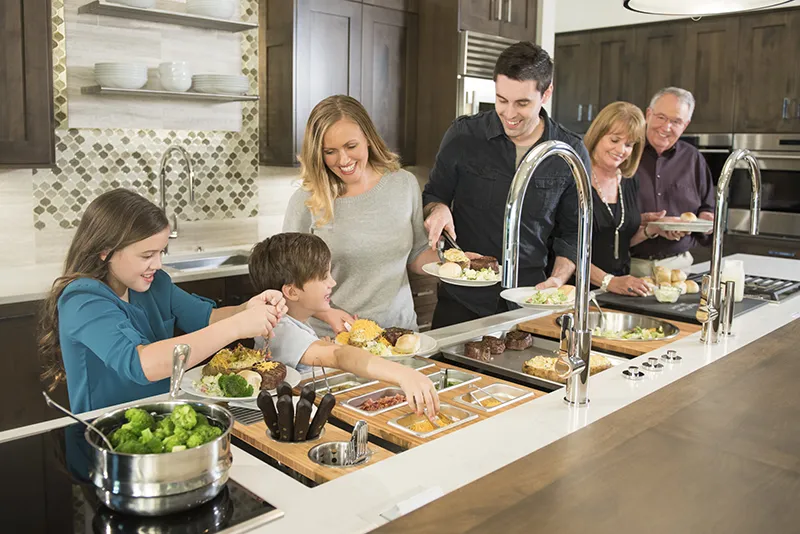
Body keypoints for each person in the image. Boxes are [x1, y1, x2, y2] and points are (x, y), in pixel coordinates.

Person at [39, 189, 287, 413]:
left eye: (161, 253)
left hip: (165, 419)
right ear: (106, 250)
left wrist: (249, 308)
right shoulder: (82, 301)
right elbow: (141, 364)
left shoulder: (155, 284)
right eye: (147, 255)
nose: (157, 265)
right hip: (104, 436)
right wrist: (237, 326)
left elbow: (207, 319)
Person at [423, 42, 590, 328]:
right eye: (502, 99)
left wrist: (557, 280)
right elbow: (435, 194)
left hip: (529, 299)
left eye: (522, 103)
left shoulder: (567, 151)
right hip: (463, 298)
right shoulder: (464, 135)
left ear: (546, 94)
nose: (509, 113)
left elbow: (574, 232)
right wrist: (437, 209)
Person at [283, 95, 440, 338]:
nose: (343, 160)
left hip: (401, 336)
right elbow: (289, 280)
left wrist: (457, 265)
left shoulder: (404, 184)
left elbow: (417, 254)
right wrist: (326, 313)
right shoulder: (307, 201)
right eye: (330, 152)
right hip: (337, 340)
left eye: (351, 146)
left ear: (368, 138)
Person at [248, 233, 439, 416]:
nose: (333, 281)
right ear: (292, 292)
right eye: (324, 277)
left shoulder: (292, 319)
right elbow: (340, 357)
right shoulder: (281, 331)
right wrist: (403, 374)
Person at [582, 102, 678, 296]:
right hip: (577, 291)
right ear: (597, 136)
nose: (621, 150)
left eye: (629, 145)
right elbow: (563, 250)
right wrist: (608, 281)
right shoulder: (575, 177)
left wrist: (652, 230)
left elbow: (620, 239)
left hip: (618, 290)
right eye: (614, 140)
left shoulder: (627, 180)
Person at [630, 87, 716, 277]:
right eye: (661, 117)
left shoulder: (693, 159)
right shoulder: (625, 152)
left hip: (678, 267)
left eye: (676, 121)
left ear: (685, 125)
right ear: (648, 114)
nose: (666, 127)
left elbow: (708, 208)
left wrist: (701, 223)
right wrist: (651, 224)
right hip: (629, 266)